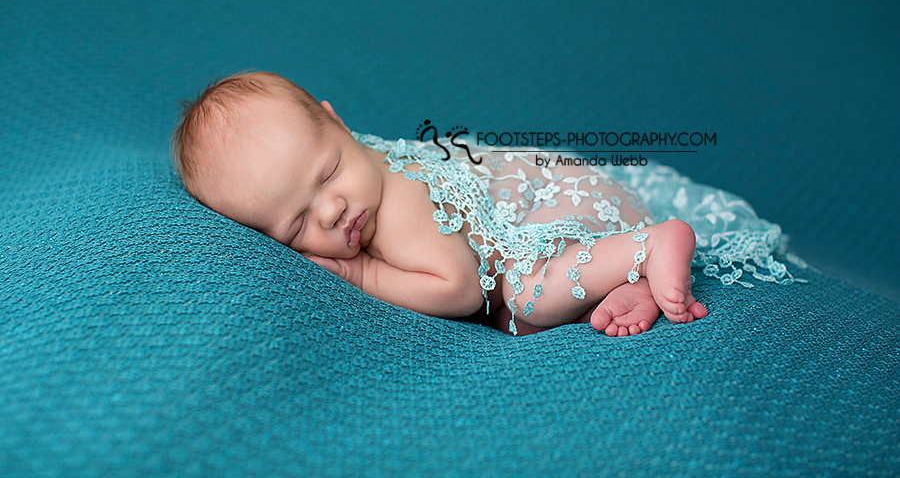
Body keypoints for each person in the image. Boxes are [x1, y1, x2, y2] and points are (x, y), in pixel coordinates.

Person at [172, 71, 710, 336]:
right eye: (296, 226)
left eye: (329, 173)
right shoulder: (360, 178)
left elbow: (458, 289)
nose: (332, 210)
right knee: (519, 313)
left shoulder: (400, 207)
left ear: (337, 122)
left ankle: (650, 243)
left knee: (520, 298)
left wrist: (364, 278)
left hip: (553, 207)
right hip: (562, 201)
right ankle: (627, 278)